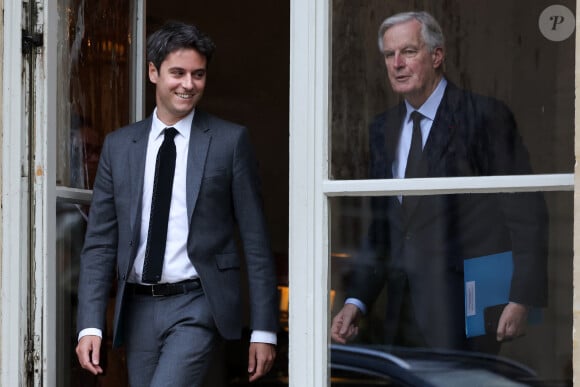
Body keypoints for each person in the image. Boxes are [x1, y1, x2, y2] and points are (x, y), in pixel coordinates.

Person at [75, 21, 278, 386]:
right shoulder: (119, 146)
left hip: (198, 304)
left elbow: (256, 241)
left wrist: (264, 329)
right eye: (178, 73)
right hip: (136, 309)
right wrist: (90, 323)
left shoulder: (230, 142)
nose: (189, 84)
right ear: (153, 72)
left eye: (198, 74)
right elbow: (100, 243)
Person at [331, 11, 548, 351]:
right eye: (390, 55)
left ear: (437, 55)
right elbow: (383, 226)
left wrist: (522, 297)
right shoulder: (382, 129)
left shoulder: (483, 117)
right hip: (399, 312)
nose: (397, 63)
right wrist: (356, 300)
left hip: (466, 309)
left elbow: (525, 212)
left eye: (409, 51)